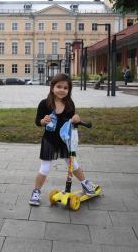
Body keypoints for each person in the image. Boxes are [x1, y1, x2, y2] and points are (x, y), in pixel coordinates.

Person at [29, 73, 99, 206]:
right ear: (52, 88)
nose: (62, 90)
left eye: (65, 88)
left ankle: (85, 184)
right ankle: (36, 192)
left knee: (74, 165)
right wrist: (43, 121)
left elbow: (72, 122)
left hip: (66, 141)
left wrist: (76, 119)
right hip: (49, 140)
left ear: (69, 90)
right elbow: (37, 121)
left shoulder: (69, 104)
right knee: (44, 168)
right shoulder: (44, 103)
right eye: (59, 87)